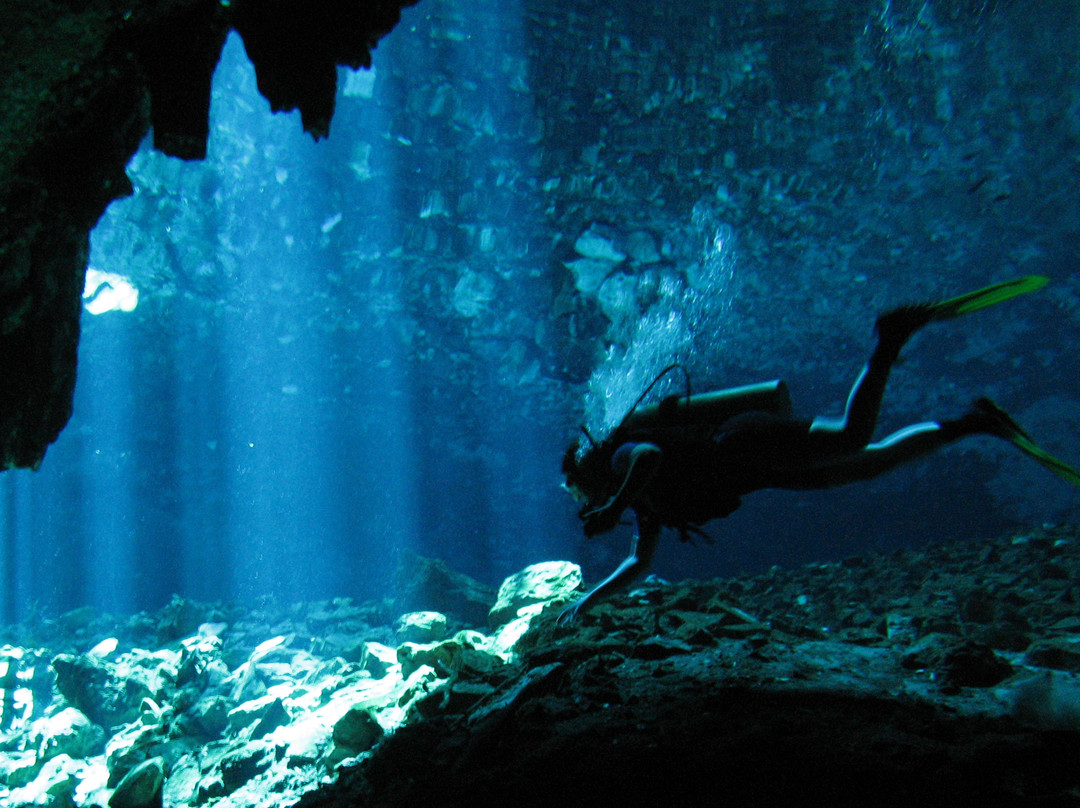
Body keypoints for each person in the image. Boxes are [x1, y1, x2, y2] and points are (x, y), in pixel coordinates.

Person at [559, 275, 1080, 624]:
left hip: (747, 442)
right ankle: (974, 423)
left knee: (852, 437)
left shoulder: (626, 459)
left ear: (590, 468)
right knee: (866, 463)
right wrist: (588, 600)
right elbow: (639, 563)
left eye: (579, 488)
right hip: (760, 469)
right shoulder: (645, 502)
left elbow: (648, 458)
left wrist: (613, 504)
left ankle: (890, 337)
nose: (582, 499)